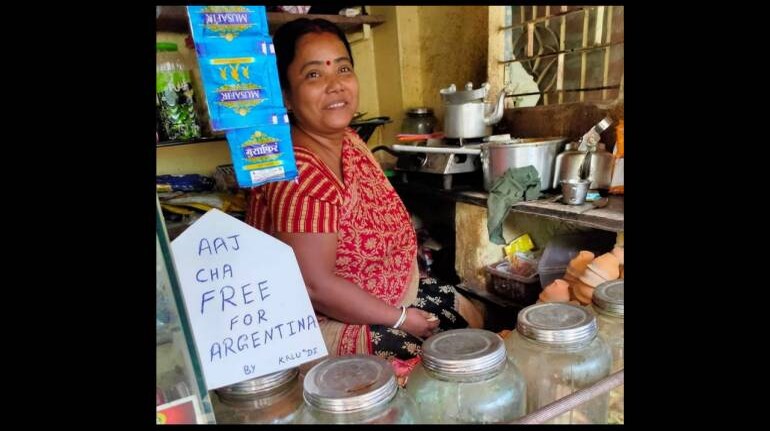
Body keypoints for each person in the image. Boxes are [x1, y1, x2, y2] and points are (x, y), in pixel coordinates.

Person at [246, 18, 482, 363]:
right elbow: (317, 288)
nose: (335, 85)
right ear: (286, 95)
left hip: (385, 296)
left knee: (469, 316)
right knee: (426, 364)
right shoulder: (298, 174)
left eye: (343, 69)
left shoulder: (349, 142)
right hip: (317, 322)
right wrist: (401, 318)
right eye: (314, 75)